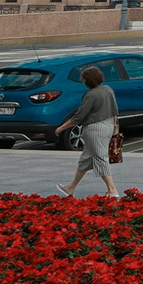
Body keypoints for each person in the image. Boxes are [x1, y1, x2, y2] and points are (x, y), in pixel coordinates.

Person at [57, 66, 121, 198]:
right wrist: (115, 127)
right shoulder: (108, 89)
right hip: (108, 125)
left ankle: (112, 190)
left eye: (83, 79)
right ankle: (71, 187)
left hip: (95, 129)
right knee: (86, 158)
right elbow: (115, 110)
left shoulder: (91, 95)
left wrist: (62, 128)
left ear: (88, 80)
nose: (82, 81)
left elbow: (79, 116)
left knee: (100, 157)